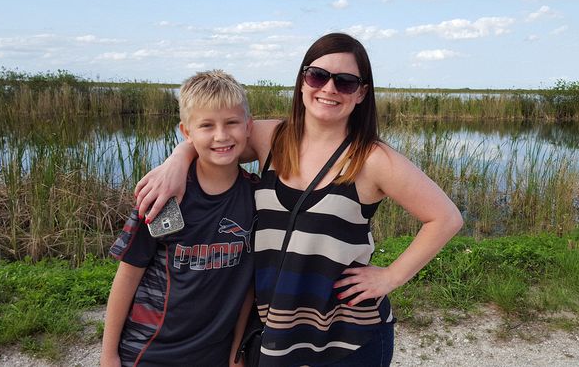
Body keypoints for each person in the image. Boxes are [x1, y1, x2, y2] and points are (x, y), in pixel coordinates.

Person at [135, 33, 463, 366]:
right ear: (303, 82)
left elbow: (445, 218)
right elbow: (217, 138)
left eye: (346, 82)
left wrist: (390, 276)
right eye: (318, 75)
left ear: (362, 92)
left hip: (348, 339)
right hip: (277, 332)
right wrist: (177, 159)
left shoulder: (372, 159)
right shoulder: (270, 138)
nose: (329, 88)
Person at [102, 70, 258, 367]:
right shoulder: (166, 196)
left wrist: (237, 351)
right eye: (207, 125)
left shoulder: (255, 199)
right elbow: (128, 275)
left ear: (248, 126)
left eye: (232, 123)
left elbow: (248, 285)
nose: (221, 135)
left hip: (215, 353)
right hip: (152, 352)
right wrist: (108, 355)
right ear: (186, 133)